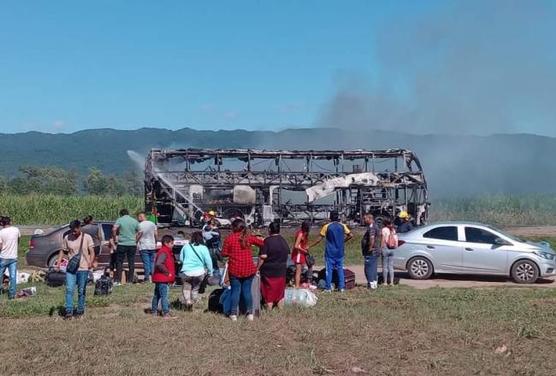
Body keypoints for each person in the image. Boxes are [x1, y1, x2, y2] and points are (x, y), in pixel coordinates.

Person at [221, 219, 264, 321]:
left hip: (235, 268)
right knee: (247, 291)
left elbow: (224, 254)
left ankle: (233, 314)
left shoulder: (229, 239)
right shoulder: (248, 237)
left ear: (233, 227)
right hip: (248, 268)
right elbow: (262, 243)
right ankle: (250, 313)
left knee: (235, 291)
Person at [56, 220, 95, 319]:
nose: (73, 232)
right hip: (71, 269)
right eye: (72, 230)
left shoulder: (87, 237)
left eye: (75, 230)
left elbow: (92, 252)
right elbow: (62, 251)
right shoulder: (67, 238)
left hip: (83, 268)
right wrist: (58, 263)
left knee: (81, 290)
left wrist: (90, 262)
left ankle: (80, 310)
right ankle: (69, 311)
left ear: (79, 228)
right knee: (69, 289)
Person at [312, 211, 353, 292]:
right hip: (340, 252)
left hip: (330, 252)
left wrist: (310, 245)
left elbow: (319, 239)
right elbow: (351, 235)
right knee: (340, 269)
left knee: (329, 270)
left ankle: (328, 288)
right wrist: (343, 241)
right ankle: (341, 287)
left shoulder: (326, 226)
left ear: (330, 218)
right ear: (338, 218)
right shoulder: (342, 226)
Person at [257, 222, 289, 310]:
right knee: (280, 291)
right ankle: (280, 308)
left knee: (269, 292)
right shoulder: (283, 240)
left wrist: (257, 268)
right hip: (281, 271)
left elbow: (263, 257)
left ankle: (269, 308)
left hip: (269, 272)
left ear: (269, 230)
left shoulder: (267, 241)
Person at [179, 231, 213, 310]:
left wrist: (186, 263)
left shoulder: (186, 246)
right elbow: (208, 261)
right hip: (199, 272)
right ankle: (194, 302)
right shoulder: (204, 248)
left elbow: (181, 259)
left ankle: (188, 301)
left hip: (186, 271)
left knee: (186, 287)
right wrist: (210, 272)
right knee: (195, 288)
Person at [151, 235, 176, 319]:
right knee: (164, 296)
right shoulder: (164, 252)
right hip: (162, 278)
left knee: (157, 295)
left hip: (159, 277)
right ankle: (166, 313)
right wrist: (167, 273)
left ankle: (154, 311)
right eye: (171, 243)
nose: (173, 245)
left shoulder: (165, 251)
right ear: (166, 243)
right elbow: (159, 263)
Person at [112, 209, 139, 284]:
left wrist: (115, 238)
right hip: (132, 244)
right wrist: (136, 240)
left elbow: (114, 229)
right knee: (131, 262)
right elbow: (140, 231)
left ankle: (118, 280)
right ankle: (130, 280)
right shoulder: (134, 221)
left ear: (121, 214)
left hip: (122, 243)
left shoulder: (120, 220)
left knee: (119, 262)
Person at [0, 216, 21, 300]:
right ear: (10, 222)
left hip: (4, 257)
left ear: (2, 223)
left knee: (0, 275)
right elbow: (18, 240)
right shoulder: (16, 230)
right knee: (13, 276)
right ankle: (12, 295)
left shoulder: (1, 232)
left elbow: (0, 246)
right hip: (13, 257)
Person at [136, 212, 158, 282]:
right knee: (152, 262)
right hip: (152, 245)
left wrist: (135, 241)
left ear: (141, 217)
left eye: (138, 217)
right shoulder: (152, 224)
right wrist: (155, 242)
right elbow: (156, 234)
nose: (138, 218)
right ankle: (154, 277)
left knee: (146, 262)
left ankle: (147, 278)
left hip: (143, 245)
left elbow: (138, 234)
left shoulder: (139, 225)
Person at [361, 214, 380, 290]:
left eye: (365, 219)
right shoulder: (376, 226)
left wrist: (370, 248)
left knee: (368, 268)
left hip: (371, 252)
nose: (364, 220)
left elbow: (371, 238)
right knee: (374, 267)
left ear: (369, 219)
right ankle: (374, 283)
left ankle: (371, 283)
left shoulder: (372, 227)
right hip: (376, 250)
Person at [291, 221, 312, 288]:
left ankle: (297, 283)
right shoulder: (300, 234)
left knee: (300, 270)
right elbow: (296, 246)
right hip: (298, 254)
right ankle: (297, 286)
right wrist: (304, 250)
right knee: (298, 271)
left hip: (301, 253)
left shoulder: (305, 234)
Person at [381, 219, 398, 286]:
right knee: (391, 266)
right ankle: (391, 282)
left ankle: (385, 282)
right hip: (392, 249)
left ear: (384, 223)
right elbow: (396, 239)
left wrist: (381, 247)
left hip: (385, 248)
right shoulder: (393, 230)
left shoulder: (384, 229)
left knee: (385, 266)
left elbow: (383, 239)